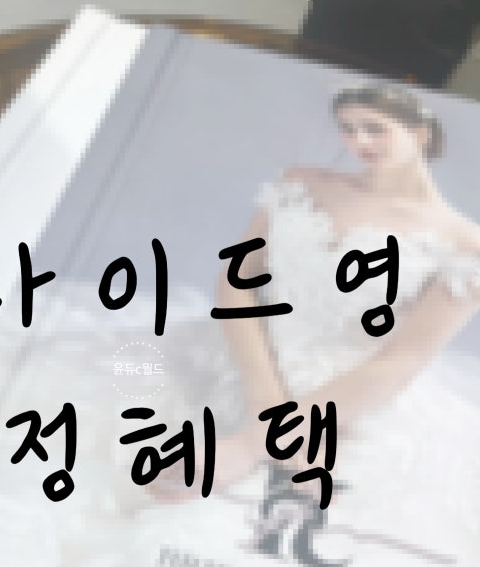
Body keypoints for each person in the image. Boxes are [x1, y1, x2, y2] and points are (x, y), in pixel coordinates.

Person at [151, 82, 480, 505]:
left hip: (346, 402)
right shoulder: (300, 182)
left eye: (374, 128)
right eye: (348, 128)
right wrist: (266, 403)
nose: (358, 141)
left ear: (420, 134)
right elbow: (235, 281)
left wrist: (252, 444)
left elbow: (403, 360)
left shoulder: (466, 243)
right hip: (242, 357)